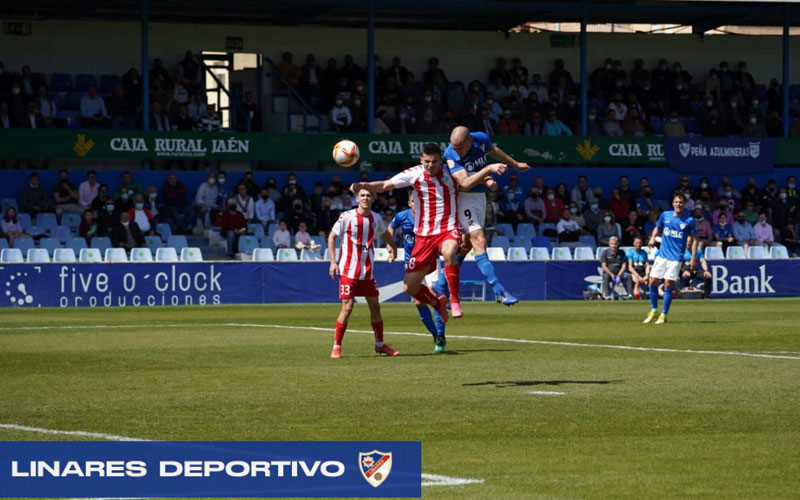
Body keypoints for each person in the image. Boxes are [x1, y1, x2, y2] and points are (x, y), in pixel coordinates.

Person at [350, 142, 498, 319]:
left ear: (440, 161)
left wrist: (488, 177)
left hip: (447, 228)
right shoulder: (414, 173)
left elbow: (468, 180)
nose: (430, 165)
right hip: (423, 236)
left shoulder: (451, 172)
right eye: (427, 161)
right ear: (421, 159)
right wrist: (363, 185)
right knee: (409, 288)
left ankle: (454, 300)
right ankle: (438, 303)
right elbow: (384, 185)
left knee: (450, 252)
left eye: (434, 162)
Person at [434, 127, 527, 307]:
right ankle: (499, 290)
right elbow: (465, 183)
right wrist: (488, 171)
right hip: (463, 198)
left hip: (479, 198)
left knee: (467, 245)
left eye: (460, 147)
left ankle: (440, 285)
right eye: (454, 146)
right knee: (480, 241)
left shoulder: (480, 139)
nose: (456, 150)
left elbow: (494, 151)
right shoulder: (451, 155)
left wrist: (515, 164)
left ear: (470, 141)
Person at [327, 187, 399, 359]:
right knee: (347, 307)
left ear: (372, 199)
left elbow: (385, 234)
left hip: (368, 272)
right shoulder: (347, 217)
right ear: (357, 199)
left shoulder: (376, 218)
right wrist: (332, 261)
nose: (366, 198)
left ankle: (380, 344)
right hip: (348, 270)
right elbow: (332, 237)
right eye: (362, 196)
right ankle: (336, 346)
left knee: (375, 306)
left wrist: (393, 247)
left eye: (368, 195)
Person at [387, 194, 446, 352]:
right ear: (409, 202)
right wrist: (391, 245)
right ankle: (436, 335)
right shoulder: (402, 216)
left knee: (434, 292)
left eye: (420, 201)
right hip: (412, 263)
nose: (416, 204)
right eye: (413, 201)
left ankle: (441, 335)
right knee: (418, 301)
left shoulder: (430, 216)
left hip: (430, 261)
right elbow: (390, 227)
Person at [644, 194, 697, 325]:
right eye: (676, 202)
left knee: (668, 284)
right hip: (662, 255)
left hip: (676, 257)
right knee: (653, 281)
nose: (678, 204)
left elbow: (695, 240)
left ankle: (663, 314)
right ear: (673, 203)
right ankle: (653, 310)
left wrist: (693, 258)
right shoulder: (665, 215)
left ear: (684, 204)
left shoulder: (689, 220)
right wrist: (652, 237)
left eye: (681, 202)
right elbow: (657, 226)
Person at [627, 235, 650, 300]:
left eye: (640, 243)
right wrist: (638, 276)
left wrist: (647, 275)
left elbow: (647, 265)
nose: (638, 244)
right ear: (634, 243)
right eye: (637, 243)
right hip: (635, 272)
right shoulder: (630, 253)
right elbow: (630, 267)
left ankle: (660, 295)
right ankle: (638, 297)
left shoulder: (644, 253)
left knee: (650, 280)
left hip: (643, 271)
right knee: (636, 282)